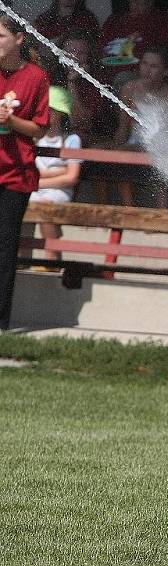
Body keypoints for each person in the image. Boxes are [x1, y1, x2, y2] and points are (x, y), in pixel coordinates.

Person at [0, 15, 50, 330]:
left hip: (15, 176)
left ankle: (1, 322)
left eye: (1, 36)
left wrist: (10, 122)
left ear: (19, 38)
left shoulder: (36, 77)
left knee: (5, 249)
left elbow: (40, 129)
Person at [108, 44, 168, 207]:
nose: (147, 70)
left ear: (166, 70)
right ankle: (129, 207)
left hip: (158, 147)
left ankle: (162, 210)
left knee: (161, 157)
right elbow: (123, 127)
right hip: (132, 144)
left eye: (154, 66)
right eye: (144, 64)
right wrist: (114, 145)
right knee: (101, 152)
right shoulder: (129, 88)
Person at [28, 86, 82, 266]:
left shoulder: (71, 139)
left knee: (44, 207)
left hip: (59, 191)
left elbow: (71, 177)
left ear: (61, 114)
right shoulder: (34, 136)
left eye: (50, 110)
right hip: (34, 186)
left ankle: (52, 259)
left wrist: (39, 182)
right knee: (18, 202)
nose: (46, 113)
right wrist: (56, 172)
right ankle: (21, 256)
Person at [99, 0, 168, 89]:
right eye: (133, 2)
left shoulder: (165, 21)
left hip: (145, 73)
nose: (135, 5)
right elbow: (101, 47)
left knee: (124, 79)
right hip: (111, 72)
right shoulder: (114, 20)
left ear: (150, 2)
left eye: (140, 3)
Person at [62, 28, 116, 147]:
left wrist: (71, 83)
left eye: (81, 53)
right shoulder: (53, 75)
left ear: (90, 57)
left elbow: (80, 122)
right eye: (71, 52)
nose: (75, 57)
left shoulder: (98, 82)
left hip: (94, 138)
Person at [34, 0, 100, 44]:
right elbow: (36, 42)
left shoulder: (87, 18)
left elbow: (92, 43)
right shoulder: (44, 19)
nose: (69, 0)